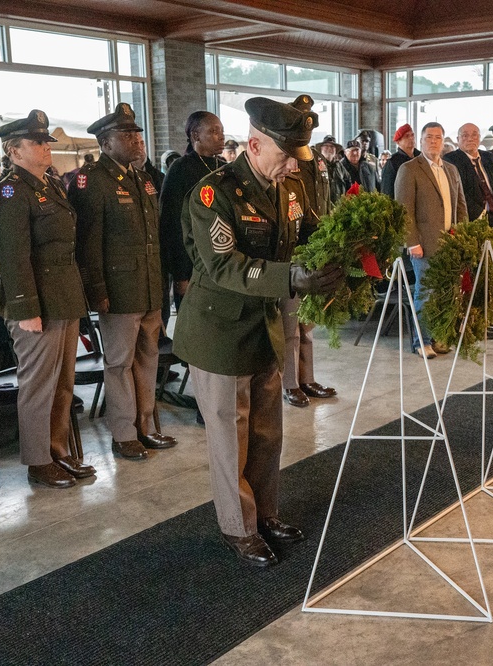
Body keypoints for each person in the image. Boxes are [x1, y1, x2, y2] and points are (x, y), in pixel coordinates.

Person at [173, 96, 344, 567]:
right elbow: (225, 265)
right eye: (286, 155)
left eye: (297, 157)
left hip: (264, 327)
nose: (294, 166)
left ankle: (265, 513)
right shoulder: (213, 194)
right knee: (232, 437)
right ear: (253, 144)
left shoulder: (286, 187)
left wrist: (341, 250)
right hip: (219, 332)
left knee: (267, 433)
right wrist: (292, 277)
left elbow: (307, 233)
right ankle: (239, 527)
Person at [0, 110, 95, 488]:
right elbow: (14, 255)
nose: (46, 147)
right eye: (36, 142)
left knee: (64, 381)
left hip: (63, 297)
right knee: (38, 384)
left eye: (46, 140)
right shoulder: (10, 191)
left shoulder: (47, 184)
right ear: (14, 151)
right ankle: (37, 460)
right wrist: (26, 309)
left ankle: (57, 450)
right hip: (36, 304)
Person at [70, 103, 177, 461]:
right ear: (105, 142)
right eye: (127, 135)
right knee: (118, 364)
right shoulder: (91, 181)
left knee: (148, 360)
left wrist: (161, 290)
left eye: (137, 133)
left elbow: (154, 239)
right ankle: (123, 433)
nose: (136, 139)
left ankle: (146, 427)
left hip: (148, 289)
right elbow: (87, 243)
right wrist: (96, 290)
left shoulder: (142, 178)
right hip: (116, 293)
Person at [281, 95, 337, 409]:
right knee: (290, 324)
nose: (308, 126)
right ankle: (290, 383)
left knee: (308, 323)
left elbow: (319, 202)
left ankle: (308, 377)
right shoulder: (285, 154)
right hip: (290, 247)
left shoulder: (314, 156)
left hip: (311, 244)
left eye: (310, 121)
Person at [395, 122, 468, 359]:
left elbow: (461, 206)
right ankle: (421, 341)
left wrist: (464, 235)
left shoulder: (451, 170)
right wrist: (411, 241)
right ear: (421, 140)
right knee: (425, 293)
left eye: (438, 137)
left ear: (444, 141)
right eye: (429, 137)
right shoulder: (410, 169)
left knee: (447, 293)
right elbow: (403, 210)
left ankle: (438, 337)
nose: (434, 141)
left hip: (450, 243)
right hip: (424, 245)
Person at [159, 111, 226, 346]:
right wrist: (180, 274)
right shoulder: (180, 170)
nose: (221, 136)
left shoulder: (225, 167)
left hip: (222, 262)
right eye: (214, 131)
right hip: (192, 266)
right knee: (198, 335)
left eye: (222, 131)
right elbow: (171, 224)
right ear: (195, 135)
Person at [444, 122, 493, 245]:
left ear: (480, 138)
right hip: (472, 226)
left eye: (474, 135)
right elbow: (460, 196)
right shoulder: (451, 161)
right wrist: (485, 218)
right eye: (465, 135)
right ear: (457, 139)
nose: (470, 138)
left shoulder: (490, 158)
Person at [380, 123, 420, 200]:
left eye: (412, 135)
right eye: (407, 136)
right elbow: (387, 191)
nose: (411, 138)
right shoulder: (393, 162)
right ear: (398, 142)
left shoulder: (421, 157)